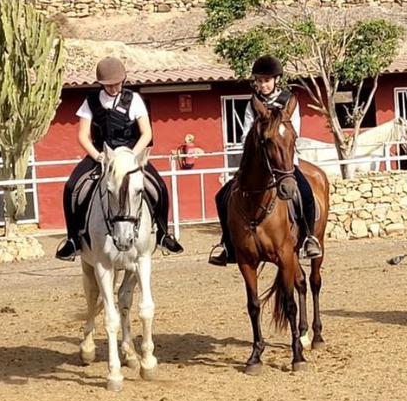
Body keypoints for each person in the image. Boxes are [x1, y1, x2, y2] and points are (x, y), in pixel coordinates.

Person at [57, 56, 183, 261]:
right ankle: (73, 239)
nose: (114, 88)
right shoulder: (90, 101)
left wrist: (131, 156)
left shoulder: (133, 100)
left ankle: (162, 234)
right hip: (101, 155)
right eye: (109, 85)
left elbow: (146, 134)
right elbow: (82, 135)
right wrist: (97, 155)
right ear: (101, 84)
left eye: (117, 83)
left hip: (130, 155)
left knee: (159, 186)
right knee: (71, 187)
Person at [208, 56, 321, 267]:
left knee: (305, 192)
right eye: (259, 81)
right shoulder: (253, 103)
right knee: (222, 196)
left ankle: (309, 238)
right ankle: (227, 245)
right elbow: (245, 135)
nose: (263, 85)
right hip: (258, 162)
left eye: (266, 80)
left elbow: (292, 132)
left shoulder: (289, 101)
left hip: (284, 161)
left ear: (276, 80)